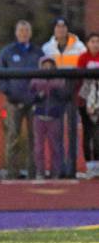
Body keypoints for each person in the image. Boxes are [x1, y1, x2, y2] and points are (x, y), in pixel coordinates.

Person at [0, 20, 44, 179]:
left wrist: (38, 95)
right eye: (21, 30)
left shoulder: (38, 53)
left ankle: (33, 173)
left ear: (30, 33)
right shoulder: (7, 52)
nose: (23, 33)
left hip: (33, 103)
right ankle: (12, 173)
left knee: (34, 139)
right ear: (16, 33)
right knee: (12, 138)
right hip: (13, 102)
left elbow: (45, 75)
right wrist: (8, 92)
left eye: (26, 30)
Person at [42, 17, 86, 178]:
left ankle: (71, 167)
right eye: (57, 27)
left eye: (63, 27)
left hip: (73, 92)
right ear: (54, 30)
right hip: (55, 94)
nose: (60, 30)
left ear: (67, 29)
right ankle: (58, 167)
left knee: (72, 131)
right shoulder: (47, 48)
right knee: (56, 132)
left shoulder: (80, 48)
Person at [29, 57, 66, 179]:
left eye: (50, 65)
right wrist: (38, 96)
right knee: (39, 147)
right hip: (39, 115)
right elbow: (29, 95)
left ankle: (55, 171)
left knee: (55, 145)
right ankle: (40, 171)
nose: (48, 67)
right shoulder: (36, 80)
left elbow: (64, 95)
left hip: (54, 116)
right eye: (45, 65)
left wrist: (57, 92)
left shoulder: (59, 80)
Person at [77, 33, 99, 176]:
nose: (95, 44)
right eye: (92, 41)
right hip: (86, 99)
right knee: (88, 132)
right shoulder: (83, 58)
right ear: (87, 43)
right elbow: (78, 79)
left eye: (97, 41)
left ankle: (97, 163)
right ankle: (89, 164)